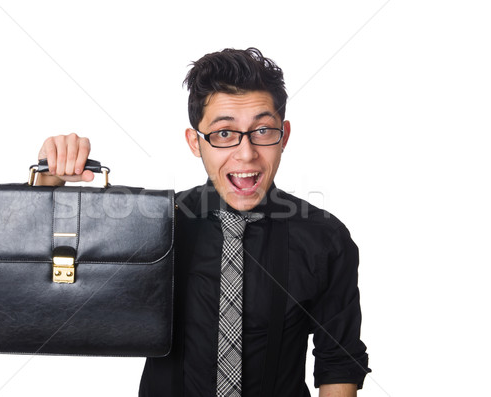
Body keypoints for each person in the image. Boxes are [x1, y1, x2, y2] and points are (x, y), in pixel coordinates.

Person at [36, 48, 370, 397]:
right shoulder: (156, 223)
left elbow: (338, 361)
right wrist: (49, 183)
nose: (246, 153)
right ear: (195, 142)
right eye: (224, 133)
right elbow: (58, 292)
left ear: (283, 136)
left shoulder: (325, 238)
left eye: (262, 130)